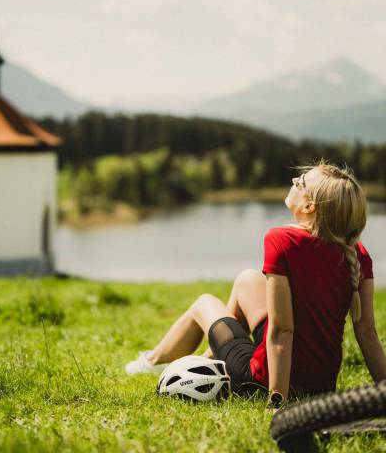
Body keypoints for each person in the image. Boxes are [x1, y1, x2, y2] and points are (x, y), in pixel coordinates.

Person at [125, 161, 386, 407]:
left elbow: (283, 330)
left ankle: (152, 361)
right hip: (321, 385)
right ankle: (203, 365)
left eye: (301, 183)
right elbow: (367, 333)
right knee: (247, 280)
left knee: (203, 303)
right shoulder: (357, 253)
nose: (294, 180)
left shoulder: (281, 240)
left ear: (309, 206)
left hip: (263, 379)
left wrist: (277, 400)